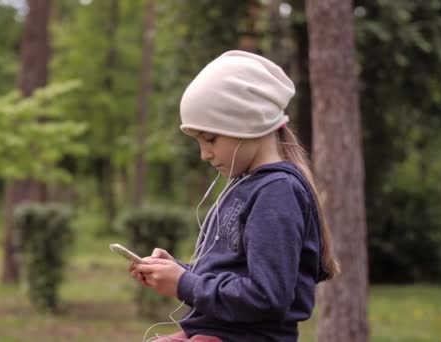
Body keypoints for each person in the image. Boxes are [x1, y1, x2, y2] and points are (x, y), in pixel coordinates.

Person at [130, 50, 340, 342]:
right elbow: (234, 274)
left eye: (211, 139)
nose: (205, 154)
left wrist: (183, 284)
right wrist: (179, 271)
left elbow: (267, 297)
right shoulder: (250, 186)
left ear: (247, 123)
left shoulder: (276, 193)